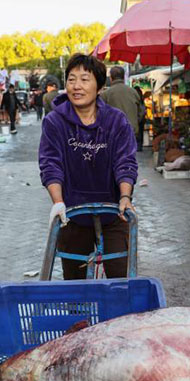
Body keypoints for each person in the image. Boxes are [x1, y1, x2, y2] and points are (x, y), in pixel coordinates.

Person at [39, 54, 137, 280]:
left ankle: (117, 315)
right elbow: (50, 163)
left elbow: (125, 161)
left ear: (100, 86)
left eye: (84, 79)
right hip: (72, 213)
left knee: (121, 278)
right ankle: (80, 316)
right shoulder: (55, 122)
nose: (77, 86)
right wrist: (58, 202)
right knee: (75, 281)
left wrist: (125, 197)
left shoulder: (116, 121)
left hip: (114, 212)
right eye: (72, 80)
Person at [99, 66, 143, 154]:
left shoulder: (106, 94)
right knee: (129, 157)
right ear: (123, 77)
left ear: (111, 78)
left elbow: (100, 115)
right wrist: (135, 123)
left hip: (113, 132)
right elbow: (141, 113)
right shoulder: (133, 92)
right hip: (131, 130)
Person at [133, 86, 146, 151]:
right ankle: (139, 146)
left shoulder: (136, 98)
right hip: (140, 118)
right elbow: (143, 109)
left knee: (138, 132)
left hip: (138, 118)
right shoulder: (141, 99)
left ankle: (138, 146)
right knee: (140, 132)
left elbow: (142, 109)